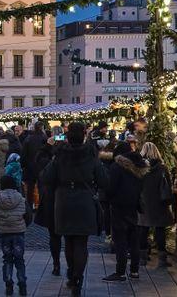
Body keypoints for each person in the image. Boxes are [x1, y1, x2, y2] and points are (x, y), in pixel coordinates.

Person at [41, 122, 107, 297]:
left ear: (68, 136)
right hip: (84, 200)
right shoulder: (91, 156)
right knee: (81, 243)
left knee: (68, 240)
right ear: (84, 135)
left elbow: (46, 177)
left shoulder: (60, 156)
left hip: (63, 201)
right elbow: (104, 181)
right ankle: (78, 277)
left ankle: (72, 273)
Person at [104, 138, 148, 282]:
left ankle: (120, 272)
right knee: (133, 239)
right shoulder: (138, 167)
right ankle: (134, 270)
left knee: (120, 240)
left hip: (119, 207)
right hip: (133, 206)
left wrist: (108, 198)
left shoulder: (117, 167)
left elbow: (110, 188)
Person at [138, 142, 173, 268]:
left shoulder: (140, 167)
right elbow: (168, 185)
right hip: (159, 202)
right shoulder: (162, 168)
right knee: (160, 230)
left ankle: (142, 258)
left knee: (143, 229)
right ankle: (162, 259)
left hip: (144, 202)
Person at [0, 175, 27, 296]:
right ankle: (22, 284)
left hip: (4, 233)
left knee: (7, 259)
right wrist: (23, 225)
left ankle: (8, 284)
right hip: (19, 232)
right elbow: (28, 216)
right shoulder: (21, 198)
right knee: (19, 259)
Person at [33, 135, 61, 276]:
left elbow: (39, 162)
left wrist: (48, 146)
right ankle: (74, 271)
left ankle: (57, 264)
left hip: (53, 200)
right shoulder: (76, 158)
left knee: (54, 236)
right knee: (73, 239)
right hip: (69, 201)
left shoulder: (49, 164)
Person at [21, 124, 46, 210]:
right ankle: (41, 206)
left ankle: (29, 206)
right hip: (42, 166)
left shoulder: (28, 138)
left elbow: (23, 154)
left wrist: (23, 165)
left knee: (30, 189)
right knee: (41, 187)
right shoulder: (44, 138)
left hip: (30, 166)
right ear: (42, 128)